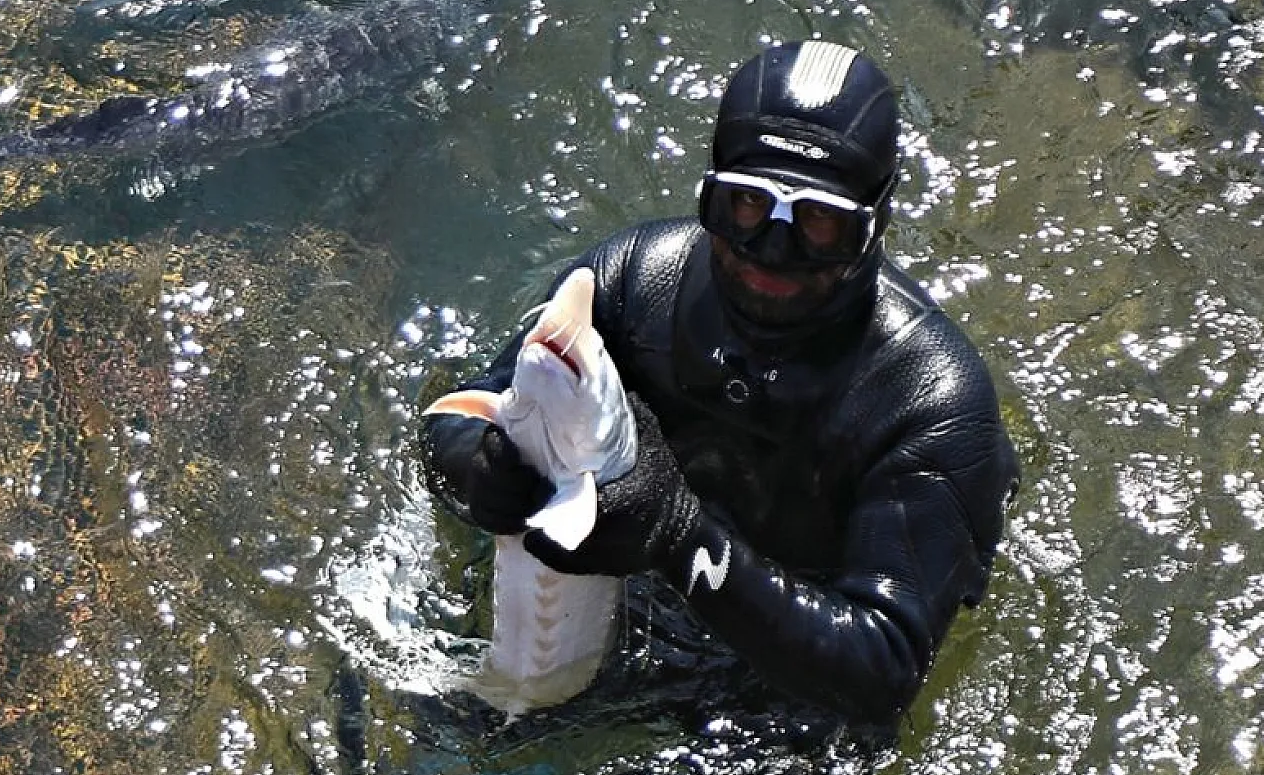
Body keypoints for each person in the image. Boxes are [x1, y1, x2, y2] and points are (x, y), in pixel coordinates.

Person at [420, 39, 1020, 724]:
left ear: (874, 222)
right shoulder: (631, 281)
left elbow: (884, 671)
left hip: (785, 693)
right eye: (747, 206)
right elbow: (450, 421)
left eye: (819, 220)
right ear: (711, 193)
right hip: (621, 604)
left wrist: (679, 536)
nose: (774, 250)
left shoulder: (929, 399)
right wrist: (483, 469)